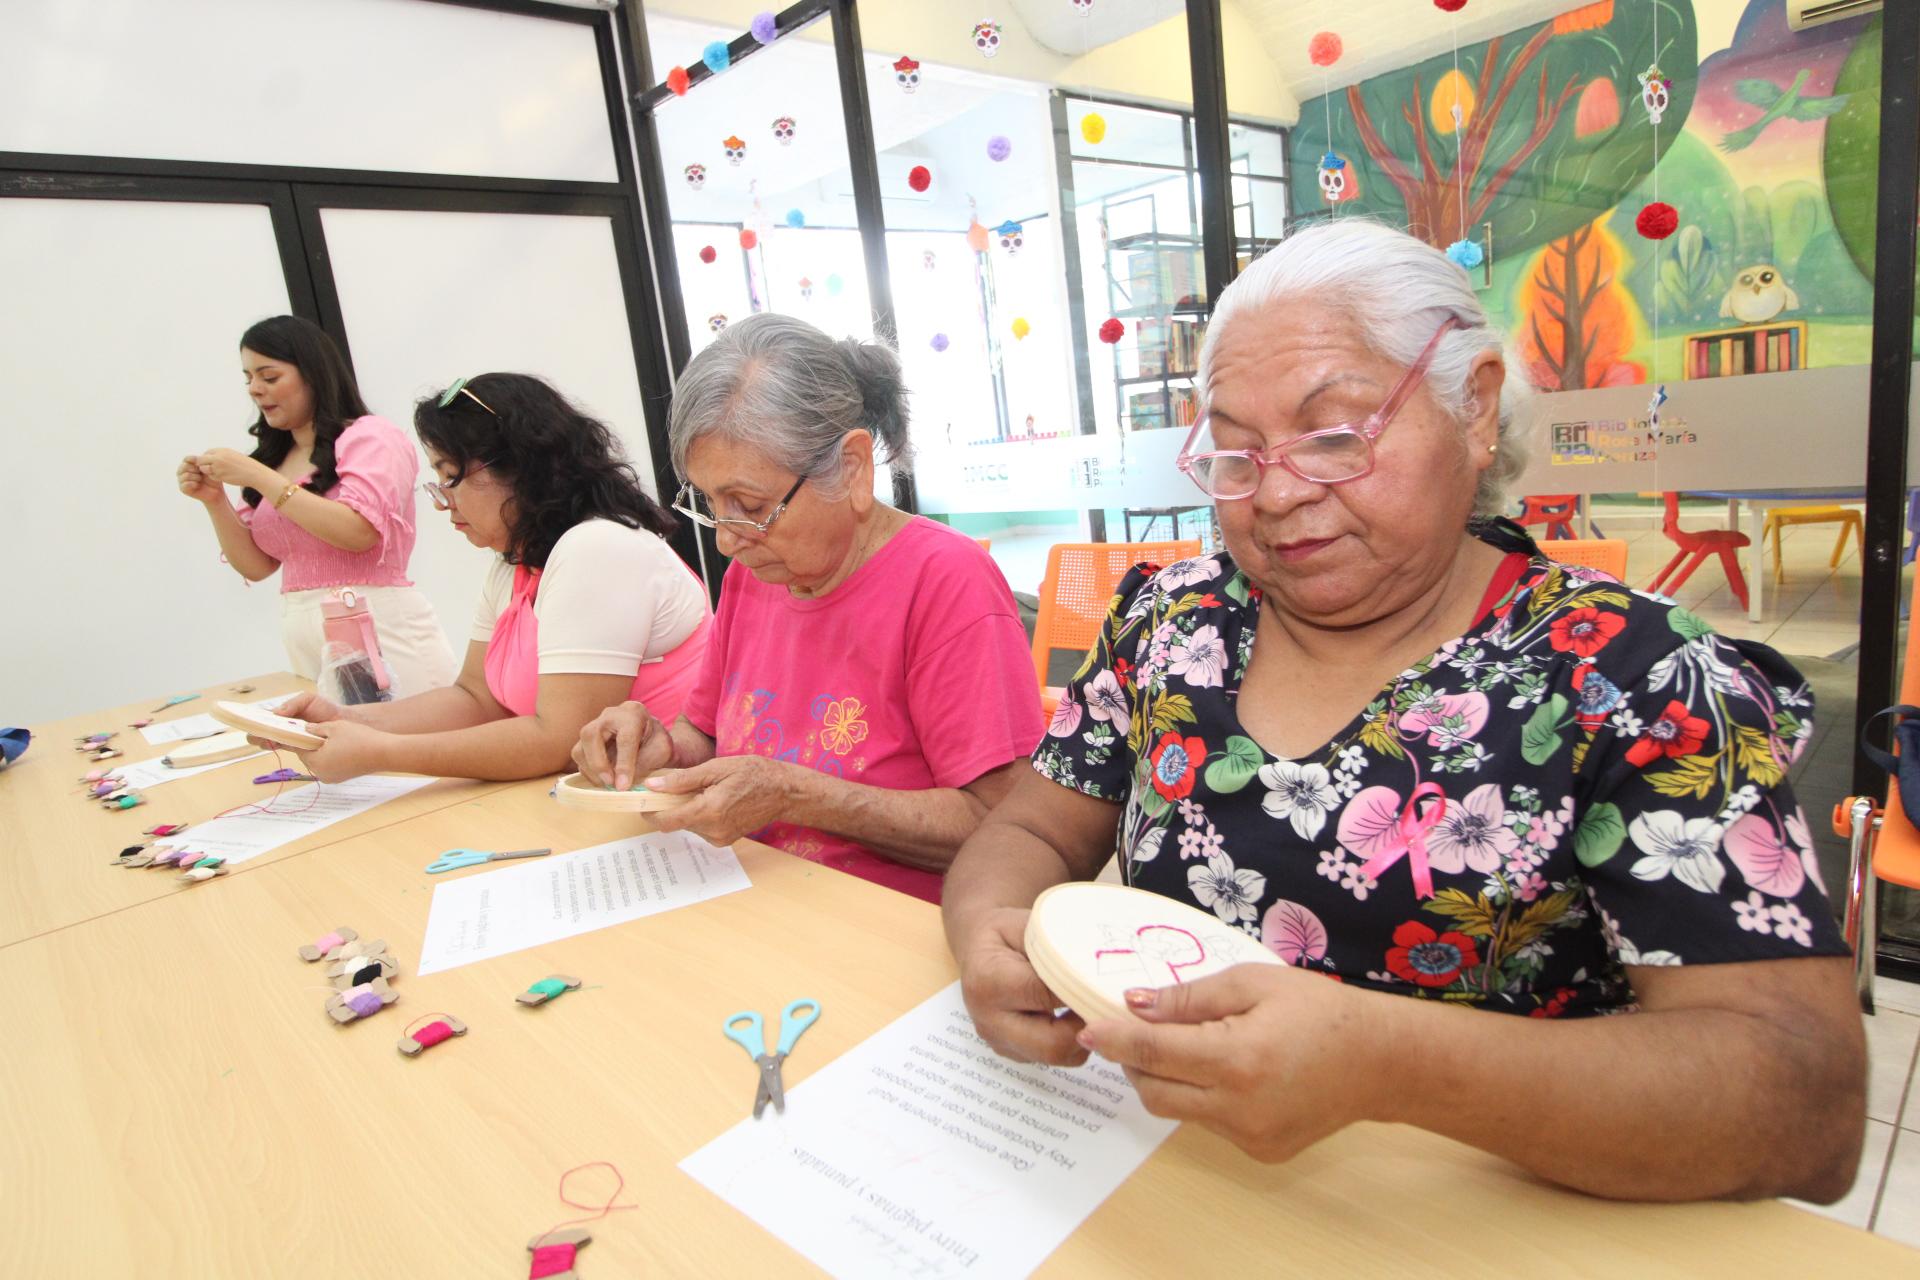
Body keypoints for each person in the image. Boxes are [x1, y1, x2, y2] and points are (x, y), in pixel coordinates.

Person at [942, 220, 1866, 1203]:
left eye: (1335, 435)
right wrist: (992, 931)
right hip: (1177, 1182)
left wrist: (1392, 1064)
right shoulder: (1173, 624)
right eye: (1239, 456)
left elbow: (1808, 1106)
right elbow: (1035, 825)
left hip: (1486, 1220)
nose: (1281, 494)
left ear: (1473, 408)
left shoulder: (1639, 681)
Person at [573, 314, 1043, 903]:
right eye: (709, 502)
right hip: (752, 896)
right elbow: (707, 731)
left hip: (882, 923)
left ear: (850, 468)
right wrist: (661, 747)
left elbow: (1003, 824)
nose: (725, 539)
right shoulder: (757, 570)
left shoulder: (944, 582)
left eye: (748, 504)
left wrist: (799, 795)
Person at [268, 373, 710, 783]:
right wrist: (345, 721)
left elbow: (559, 740)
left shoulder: (597, 549)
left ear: (520, 468)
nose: (443, 503)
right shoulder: (516, 562)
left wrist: (380, 752)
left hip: (663, 800)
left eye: (450, 476)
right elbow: (476, 698)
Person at [177, 315, 456, 698]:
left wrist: (259, 478)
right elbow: (257, 567)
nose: (255, 390)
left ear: (313, 374)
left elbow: (358, 532)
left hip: (377, 625)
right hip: (305, 636)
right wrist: (215, 502)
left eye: (269, 377)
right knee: (346, 752)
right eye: (248, 379)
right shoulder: (276, 458)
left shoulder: (371, 436)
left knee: (410, 748)